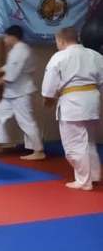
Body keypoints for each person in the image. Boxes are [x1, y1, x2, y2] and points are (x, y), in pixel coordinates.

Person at [40, 27, 103, 190]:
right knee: (89, 142)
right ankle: (93, 175)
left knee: (74, 144)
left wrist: (48, 97)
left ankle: (84, 181)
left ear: (61, 40)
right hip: (92, 100)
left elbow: (49, 83)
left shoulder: (60, 56)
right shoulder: (95, 55)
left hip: (72, 102)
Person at [0, 25, 44, 160]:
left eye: (6, 37)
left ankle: (38, 151)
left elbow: (12, 75)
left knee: (26, 121)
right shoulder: (17, 50)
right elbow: (9, 67)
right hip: (12, 94)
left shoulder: (20, 51)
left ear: (12, 37)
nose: (4, 40)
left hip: (21, 93)